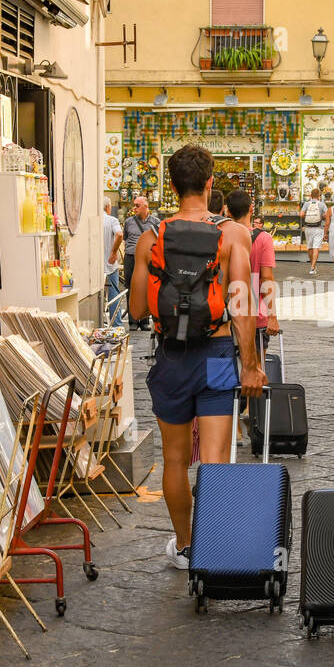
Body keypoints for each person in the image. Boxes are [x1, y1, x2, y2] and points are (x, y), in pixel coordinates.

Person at [129, 147, 265, 570]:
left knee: (173, 460)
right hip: (218, 353)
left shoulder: (152, 238)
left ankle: (186, 547)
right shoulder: (234, 237)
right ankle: (215, 545)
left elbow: (135, 310)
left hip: (170, 356)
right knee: (216, 458)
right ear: (210, 185)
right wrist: (251, 365)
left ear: (171, 186)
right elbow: (241, 306)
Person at [229, 191, 281, 356]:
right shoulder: (263, 238)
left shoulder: (221, 235)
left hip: (226, 315)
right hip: (255, 314)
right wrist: (272, 315)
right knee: (257, 370)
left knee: (224, 371)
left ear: (228, 212)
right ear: (252, 209)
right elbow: (266, 277)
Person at [123, 196, 161, 330]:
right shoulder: (129, 222)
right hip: (131, 257)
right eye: (134, 205)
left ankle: (144, 321)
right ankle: (133, 321)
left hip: (147, 259)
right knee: (130, 288)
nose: (134, 208)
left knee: (147, 287)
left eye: (137, 205)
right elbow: (126, 238)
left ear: (146, 206)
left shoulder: (156, 222)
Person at [101, 198, 124, 326]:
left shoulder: (94, 220)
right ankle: (117, 325)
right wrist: (114, 251)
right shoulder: (112, 220)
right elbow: (120, 235)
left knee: (99, 296)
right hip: (110, 265)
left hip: (96, 267)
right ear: (108, 207)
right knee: (114, 294)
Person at [300, 186, 329, 275]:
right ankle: (313, 267)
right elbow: (327, 215)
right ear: (319, 195)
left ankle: (312, 264)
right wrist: (321, 216)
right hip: (318, 228)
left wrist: (308, 217)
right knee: (316, 247)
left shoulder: (306, 203)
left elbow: (301, 214)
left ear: (311, 195)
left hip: (308, 228)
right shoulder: (322, 204)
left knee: (310, 247)